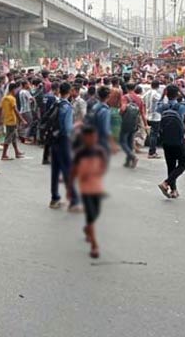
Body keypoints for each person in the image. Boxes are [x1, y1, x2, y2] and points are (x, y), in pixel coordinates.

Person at [69, 125, 108, 259]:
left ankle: (87, 229)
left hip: (97, 188)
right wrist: (70, 189)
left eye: (93, 137)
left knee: (96, 213)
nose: (91, 139)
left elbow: (103, 168)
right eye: (88, 137)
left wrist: (95, 173)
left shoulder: (100, 152)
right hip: (85, 189)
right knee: (91, 215)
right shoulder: (80, 154)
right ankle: (94, 245)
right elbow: (73, 172)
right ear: (84, 138)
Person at [156, 85, 185, 199]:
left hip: (166, 140)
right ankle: (166, 183)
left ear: (166, 94)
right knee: (183, 163)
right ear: (177, 94)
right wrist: (184, 93)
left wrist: (162, 96)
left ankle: (173, 190)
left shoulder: (163, 107)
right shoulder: (180, 107)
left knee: (170, 165)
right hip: (179, 140)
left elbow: (156, 107)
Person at [49, 82, 79, 210]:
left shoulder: (55, 103)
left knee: (55, 170)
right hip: (63, 140)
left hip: (54, 139)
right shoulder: (67, 107)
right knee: (67, 169)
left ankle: (54, 198)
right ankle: (73, 200)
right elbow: (67, 128)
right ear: (70, 91)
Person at [0, 82, 26, 160]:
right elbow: (15, 110)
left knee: (14, 136)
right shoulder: (12, 98)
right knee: (8, 137)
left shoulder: (5, 98)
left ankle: (17, 152)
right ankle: (4, 155)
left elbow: (1, 109)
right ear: (13, 89)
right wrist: (22, 119)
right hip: (11, 120)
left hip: (7, 119)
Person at [143, 80, 163, 158]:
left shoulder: (146, 93)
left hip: (148, 115)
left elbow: (143, 102)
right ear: (158, 86)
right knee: (154, 134)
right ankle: (152, 152)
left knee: (152, 134)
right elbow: (160, 102)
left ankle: (151, 150)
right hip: (155, 116)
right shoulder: (156, 94)